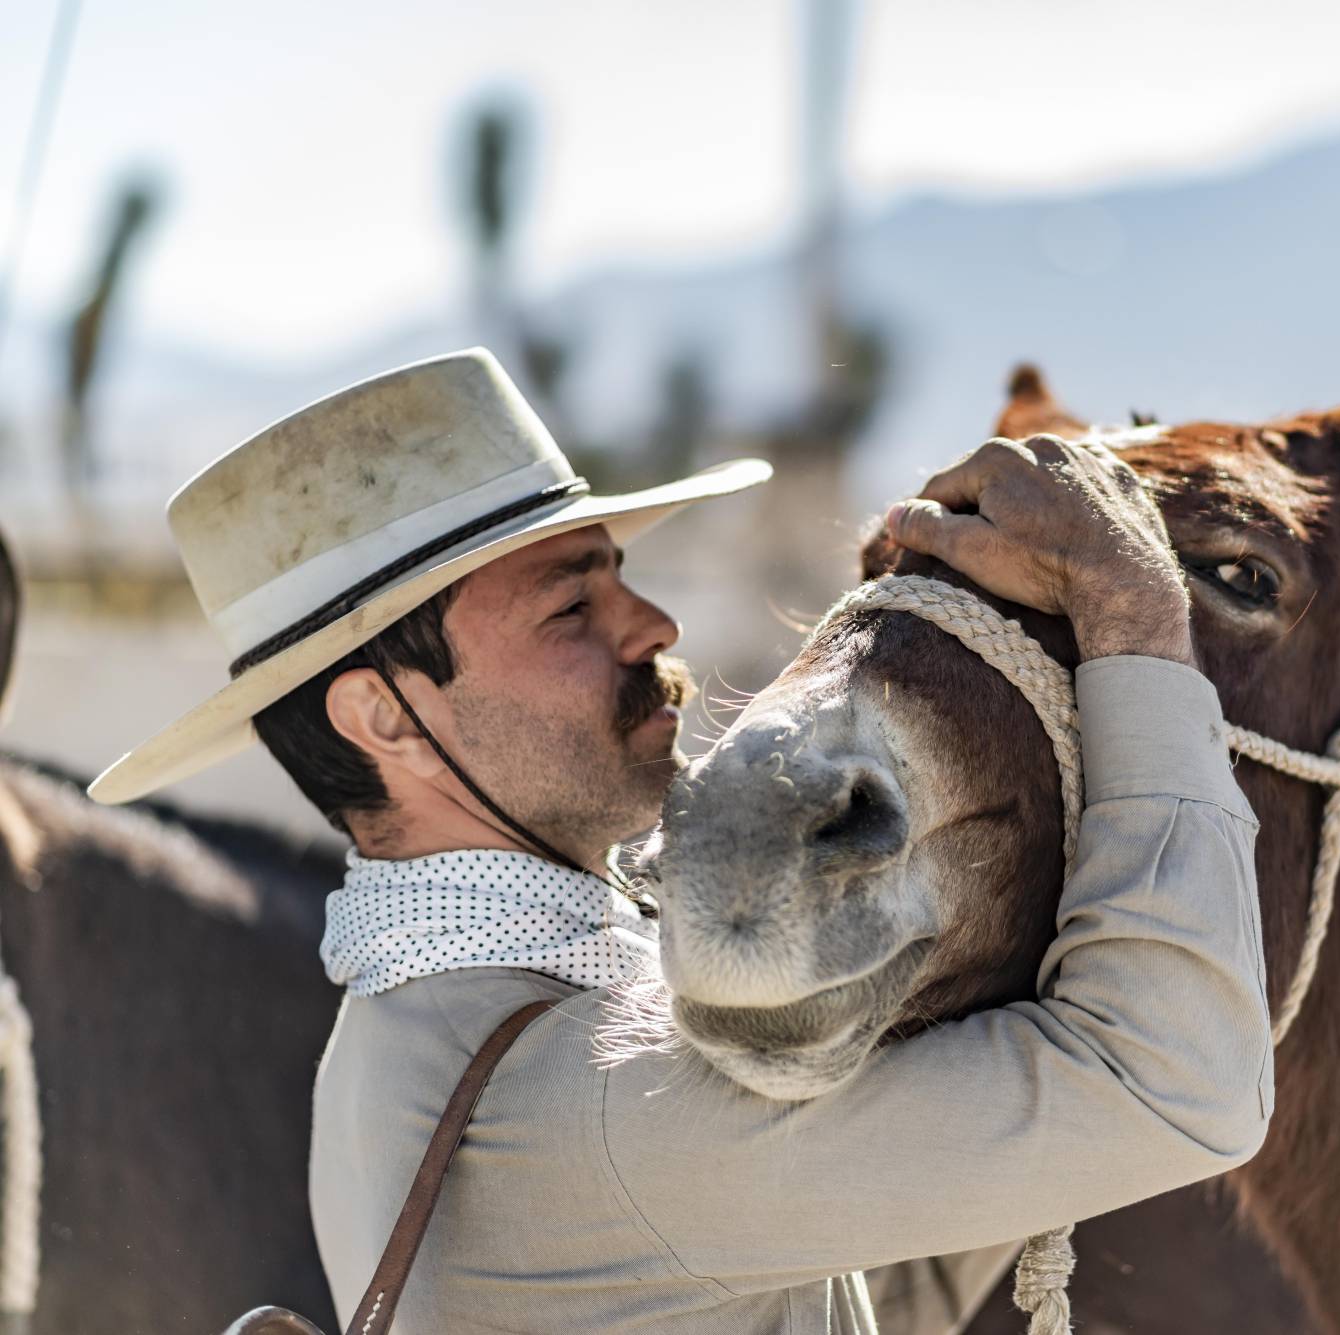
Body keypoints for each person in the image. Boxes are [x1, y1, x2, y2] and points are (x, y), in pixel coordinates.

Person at [91, 348, 1271, 1332]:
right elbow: (1173, 1086)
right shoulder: (585, 1102)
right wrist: (1134, 619)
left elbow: (851, 1298)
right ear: (384, 716)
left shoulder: (411, 1032)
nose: (650, 624)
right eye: (570, 607)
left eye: (623, 579)